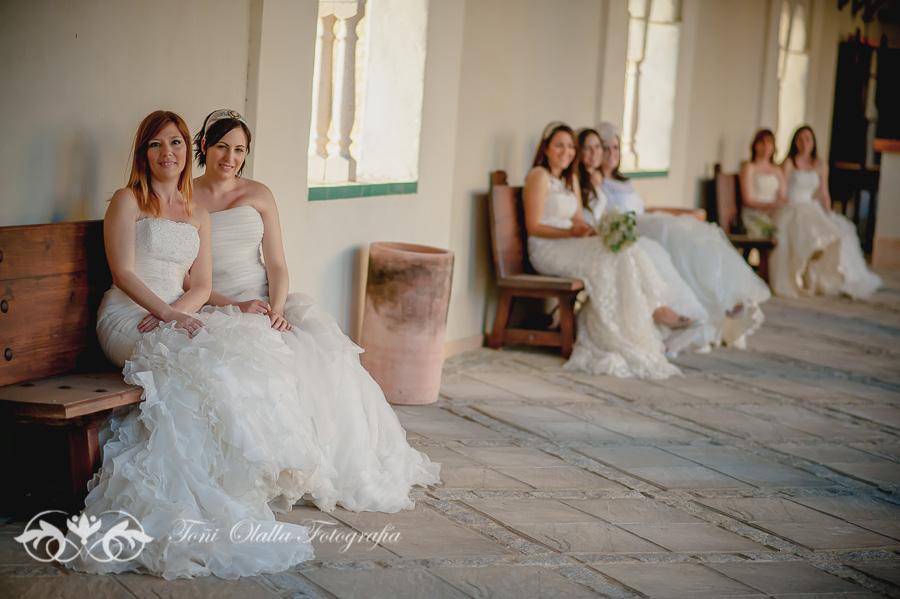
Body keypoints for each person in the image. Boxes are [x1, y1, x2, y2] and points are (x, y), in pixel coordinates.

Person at [67, 110, 328, 580]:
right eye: (156, 144)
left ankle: (217, 491)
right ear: (143, 152)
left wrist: (179, 313)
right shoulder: (128, 200)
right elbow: (123, 273)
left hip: (175, 312)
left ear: (188, 151)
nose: (167, 153)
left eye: (175, 143)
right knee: (188, 366)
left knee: (224, 364)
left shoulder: (197, 212)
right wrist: (167, 315)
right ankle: (167, 495)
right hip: (129, 316)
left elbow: (202, 285)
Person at [190, 109, 441, 514]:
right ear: (204, 145)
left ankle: (323, 461)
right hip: (216, 302)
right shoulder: (185, 197)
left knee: (321, 355)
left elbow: (276, 264)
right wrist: (233, 305)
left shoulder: (259, 194)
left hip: (264, 298)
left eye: (239, 150)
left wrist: (275, 308)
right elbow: (188, 277)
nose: (230, 157)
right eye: (222, 147)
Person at [524, 121, 693, 380]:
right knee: (611, 257)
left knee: (621, 249)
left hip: (570, 243)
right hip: (547, 248)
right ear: (546, 148)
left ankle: (632, 327)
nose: (566, 151)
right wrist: (570, 233)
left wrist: (597, 232)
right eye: (559, 145)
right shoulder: (539, 176)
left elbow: (578, 220)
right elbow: (533, 226)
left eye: (570, 146)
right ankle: (641, 317)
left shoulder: (570, 179)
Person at [584, 124, 771, 349]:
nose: (611, 153)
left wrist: (679, 212)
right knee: (672, 235)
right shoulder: (594, 180)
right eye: (605, 148)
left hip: (644, 221)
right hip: (631, 229)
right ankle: (715, 301)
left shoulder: (623, 181)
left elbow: (644, 208)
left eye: (615, 147)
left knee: (695, 235)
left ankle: (724, 295)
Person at [776, 125, 881, 299]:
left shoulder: (820, 164)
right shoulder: (789, 162)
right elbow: (783, 189)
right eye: (800, 139)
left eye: (808, 139)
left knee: (840, 230)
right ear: (795, 142)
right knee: (807, 231)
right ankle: (802, 275)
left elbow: (823, 192)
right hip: (794, 206)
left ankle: (831, 276)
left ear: (813, 142)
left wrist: (828, 212)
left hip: (811, 206)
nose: (804, 143)